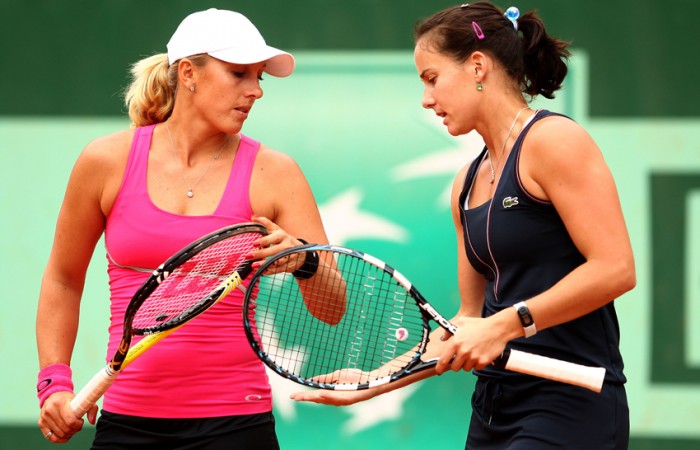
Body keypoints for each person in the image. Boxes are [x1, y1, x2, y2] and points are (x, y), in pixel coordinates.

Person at [291, 2, 636, 449]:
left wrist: (507, 325)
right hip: (494, 407)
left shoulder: (555, 141)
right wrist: (373, 381)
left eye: (432, 78)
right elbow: (468, 322)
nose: (426, 99)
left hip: (570, 405)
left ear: (477, 66)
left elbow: (615, 268)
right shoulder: (465, 185)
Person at [36, 8, 330, 449]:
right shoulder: (105, 161)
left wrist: (304, 261)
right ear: (189, 73)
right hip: (126, 422)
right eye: (239, 74)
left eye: (259, 78)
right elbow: (63, 278)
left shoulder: (277, 173)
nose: (255, 91)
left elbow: (333, 306)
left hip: (236, 423)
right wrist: (54, 381)